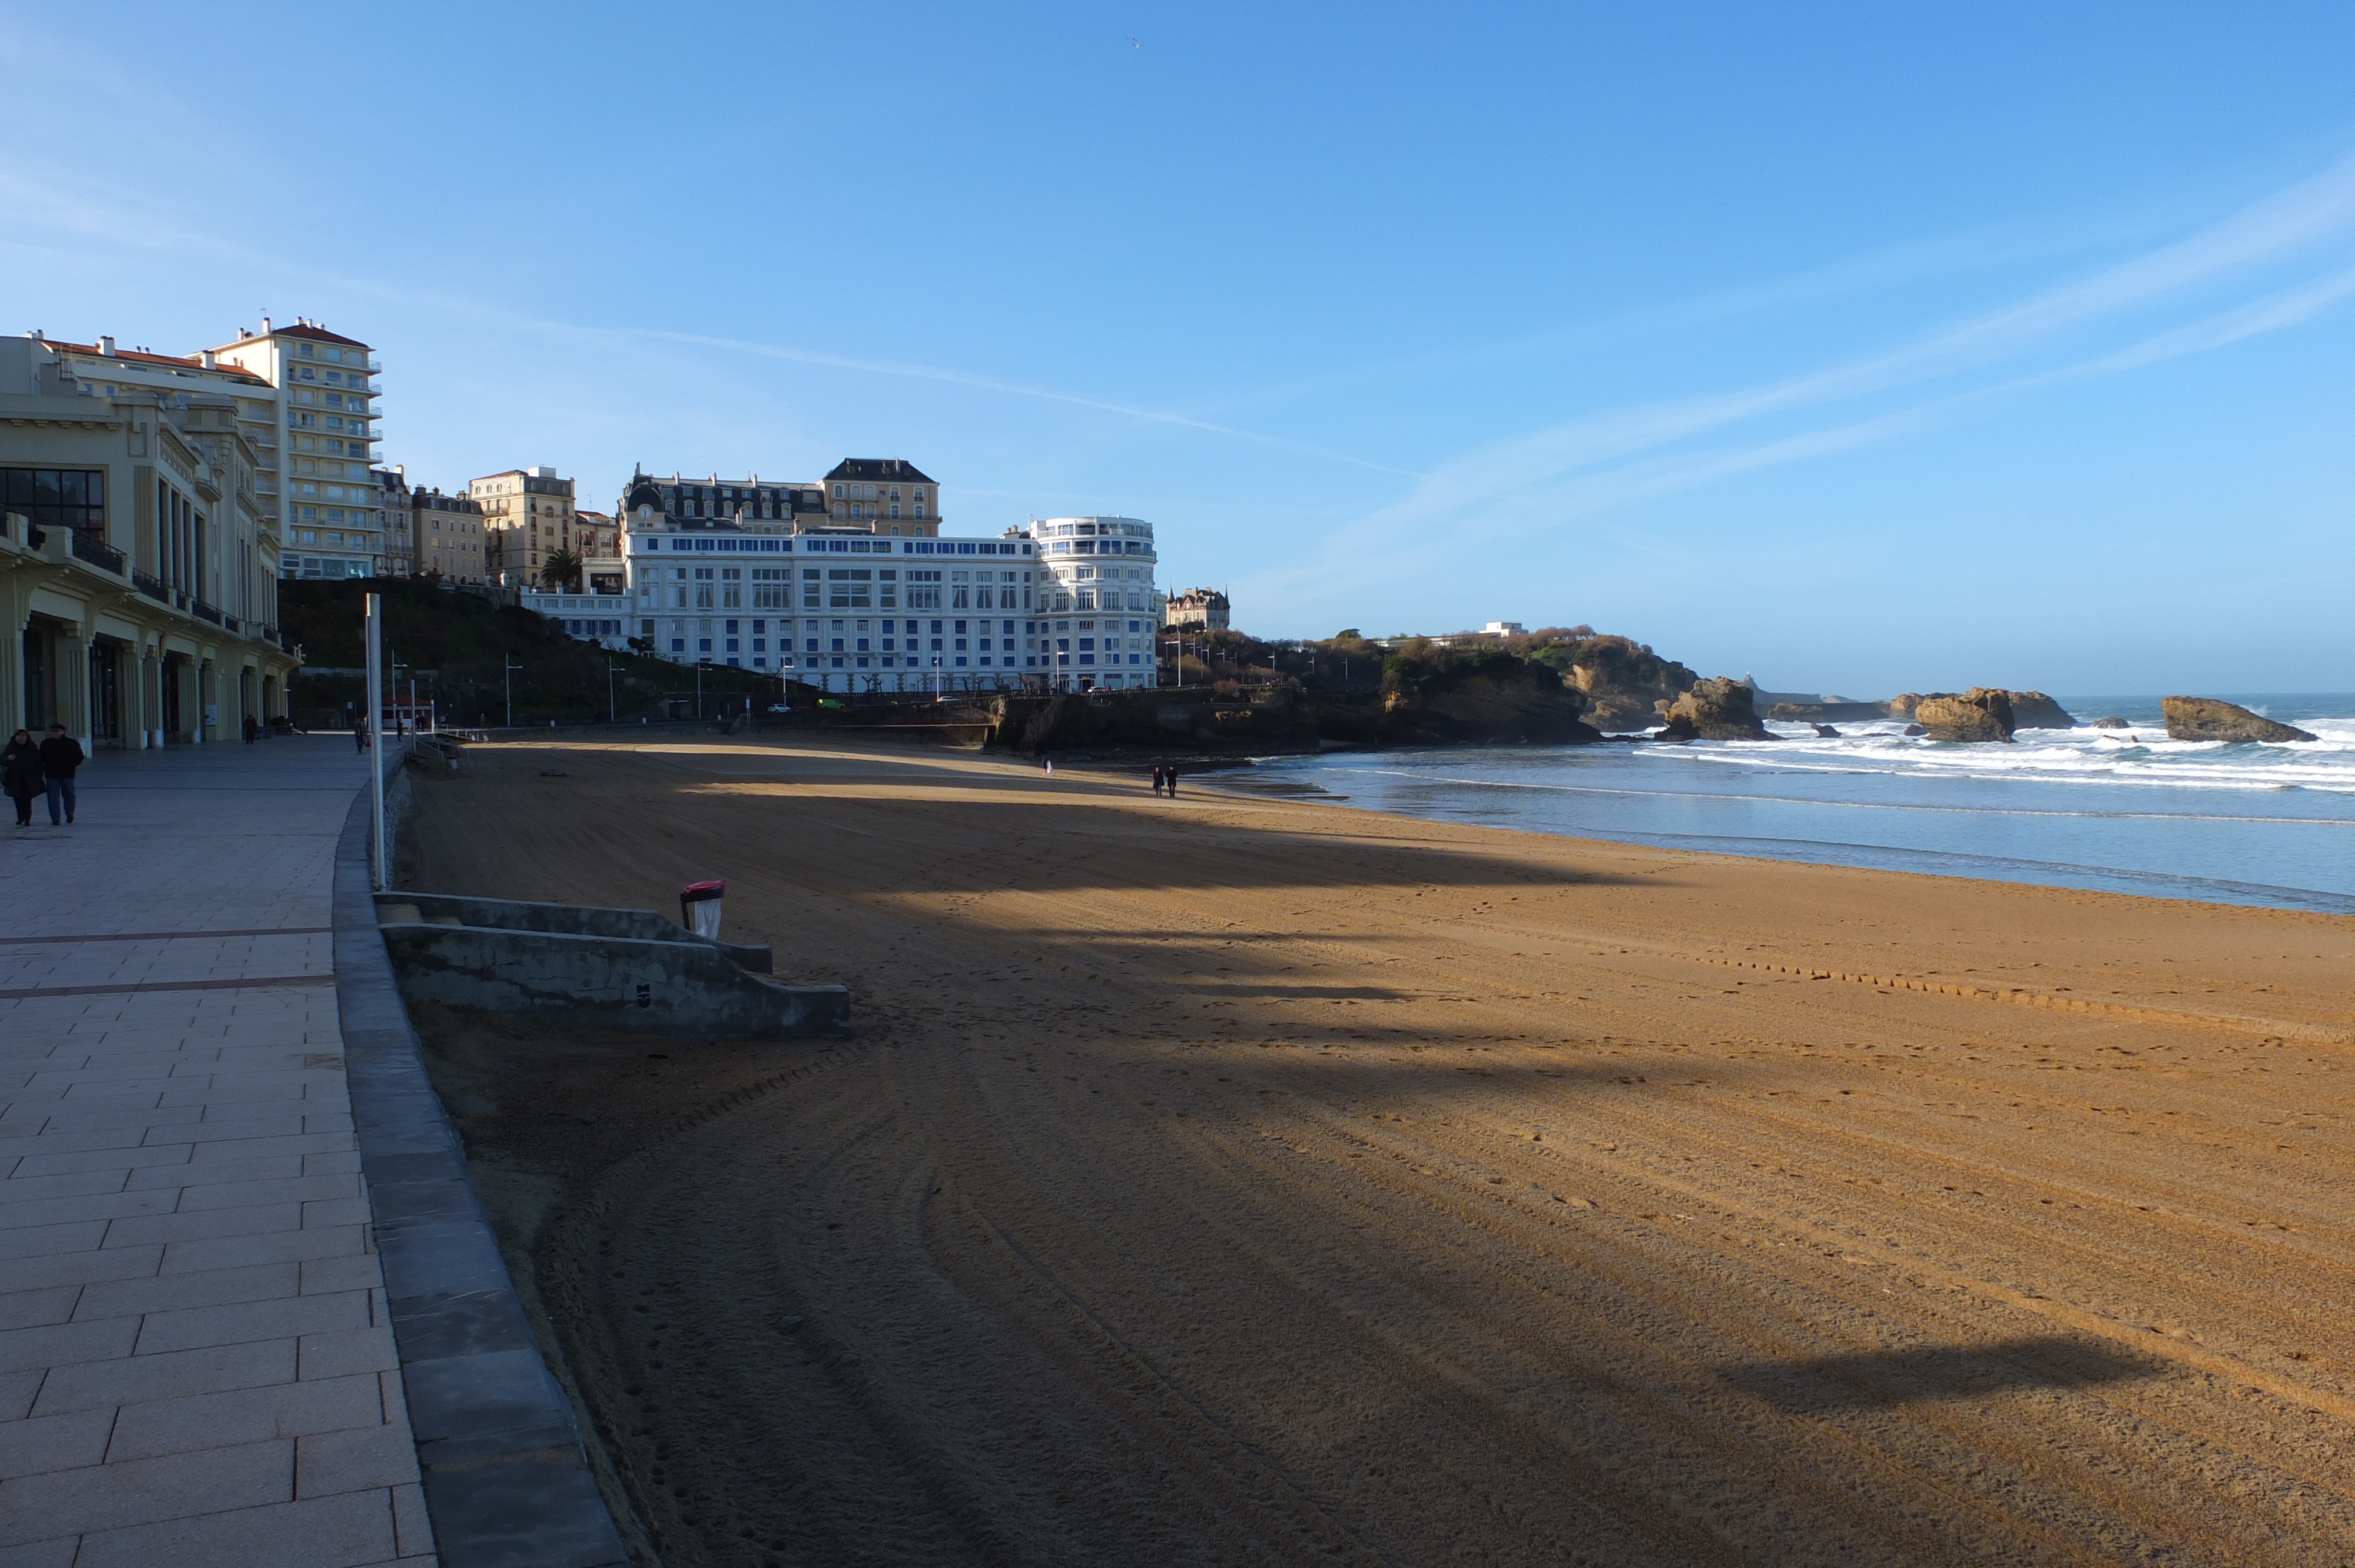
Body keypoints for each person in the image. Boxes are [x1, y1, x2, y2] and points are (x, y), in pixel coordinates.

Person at [38, 724, 83, 826]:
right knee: (53, 797)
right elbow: (40, 757)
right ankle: (55, 818)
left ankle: (70, 813)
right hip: (52, 774)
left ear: (63, 732)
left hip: (68, 774)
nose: (54, 733)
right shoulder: (46, 744)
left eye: (57, 731)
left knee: (69, 795)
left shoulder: (72, 744)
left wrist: (71, 766)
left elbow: (79, 757)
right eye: (52, 731)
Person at [2, 730, 43, 828]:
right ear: (15, 737)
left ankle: (27, 819)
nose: (21, 738)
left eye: (23, 736)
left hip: (28, 778)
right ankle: (21, 818)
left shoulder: (32, 747)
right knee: (17, 799)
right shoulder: (11, 747)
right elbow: (2, 759)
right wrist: (8, 758)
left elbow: (39, 762)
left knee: (27, 799)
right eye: (19, 736)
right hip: (15, 778)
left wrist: (38, 774)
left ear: (27, 737)